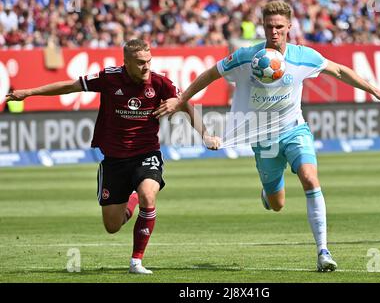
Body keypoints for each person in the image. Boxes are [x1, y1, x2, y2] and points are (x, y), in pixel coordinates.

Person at [154, 1, 380, 272]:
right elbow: (210, 74)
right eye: (269, 27)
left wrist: (373, 89)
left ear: (290, 27)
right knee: (277, 204)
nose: (274, 32)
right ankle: (268, 195)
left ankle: (323, 251)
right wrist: (180, 99)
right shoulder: (247, 56)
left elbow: (339, 71)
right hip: (263, 138)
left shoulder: (303, 56)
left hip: (294, 129)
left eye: (279, 26)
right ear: (263, 27)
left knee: (310, 177)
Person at [5, 39, 221, 274]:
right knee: (112, 226)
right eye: (140, 63)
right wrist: (29, 93)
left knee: (149, 195)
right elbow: (70, 87)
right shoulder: (109, 78)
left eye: (148, 61)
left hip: (146, 153)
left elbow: (187, 103)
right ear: (125, 63)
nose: (146, 67)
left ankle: (136, 261)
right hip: (115, 161)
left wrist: (205, 134)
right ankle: (133, 197)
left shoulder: (160, 83)